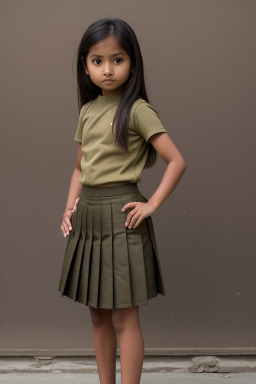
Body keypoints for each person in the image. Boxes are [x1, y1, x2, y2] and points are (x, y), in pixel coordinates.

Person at [58, 17, 186, 384]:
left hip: (123, 216)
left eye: (118, 59)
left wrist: (152, 205)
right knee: (97, 315)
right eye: (97, 61)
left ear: (133, 63)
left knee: (124, 317)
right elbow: (80, 170)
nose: (108, 69)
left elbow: (176, 161)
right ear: (85, 64)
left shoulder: (139, 109)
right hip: (89, 218)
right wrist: (69, 206)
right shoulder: (87, 111)